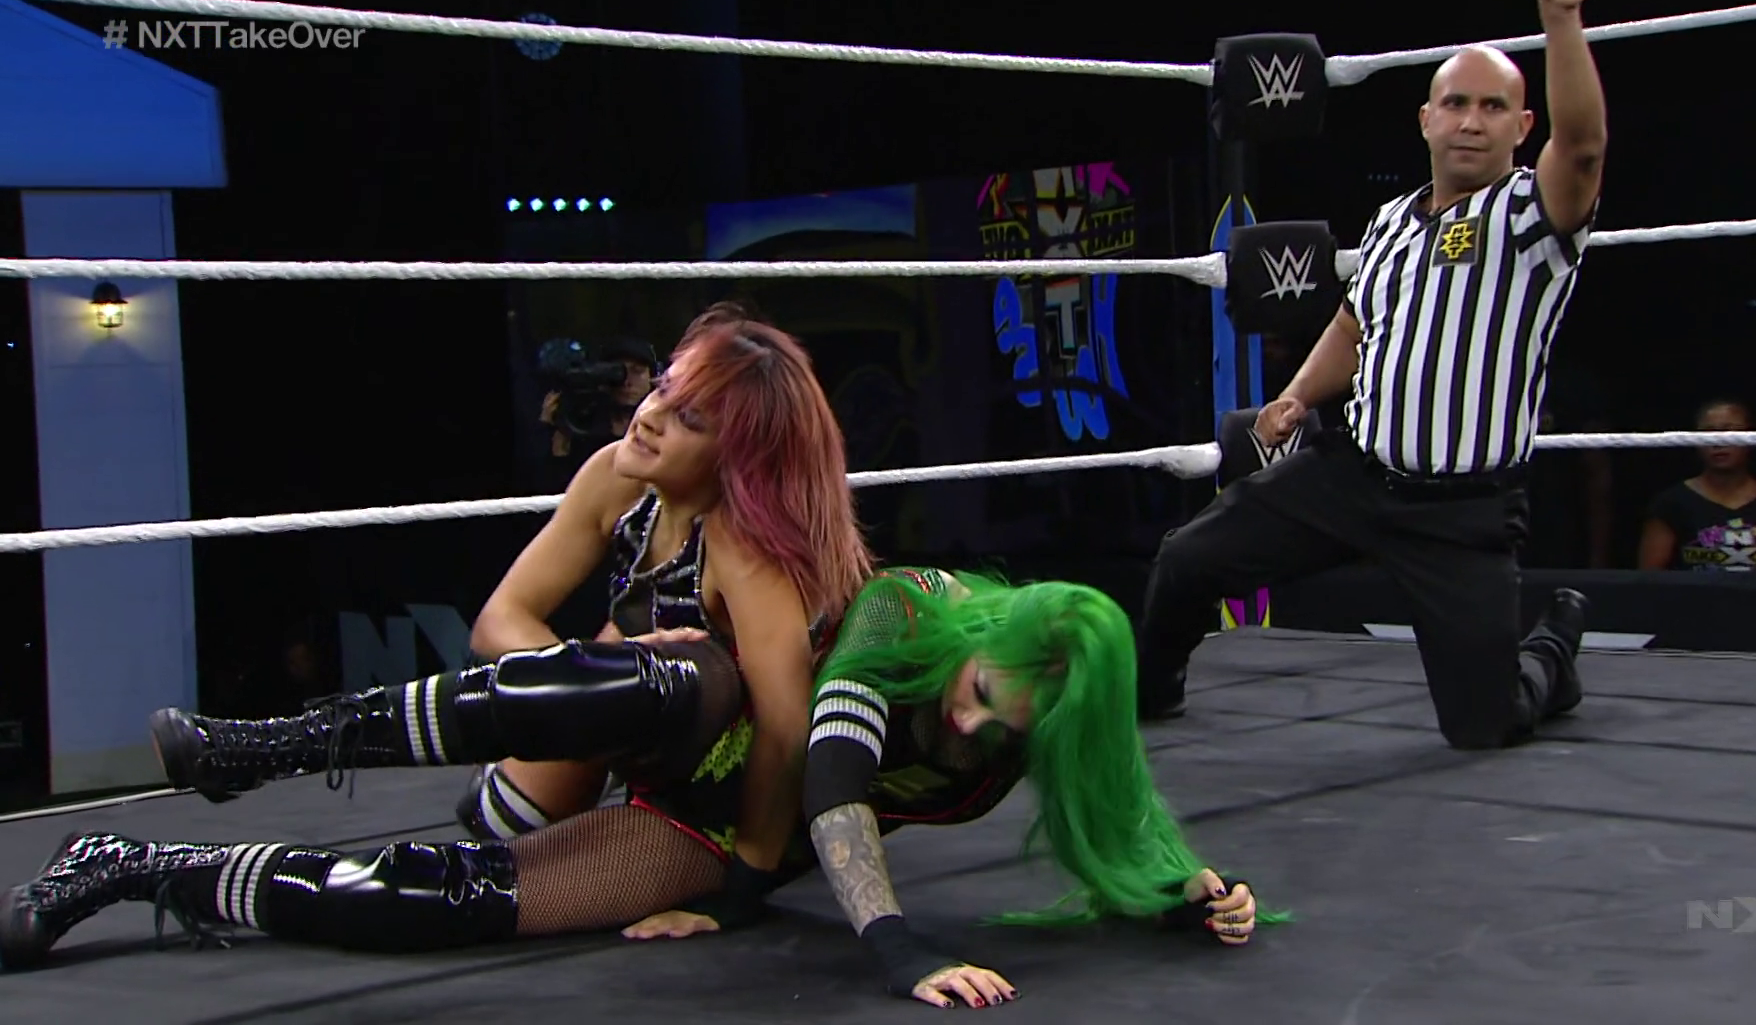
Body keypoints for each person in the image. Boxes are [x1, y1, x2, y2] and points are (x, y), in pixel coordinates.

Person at [1, 570, 1272, 1009]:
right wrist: (897, 950)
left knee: (455, 910)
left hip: (716, 836)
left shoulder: (1041, 727)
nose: (971, 723)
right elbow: (834, 775)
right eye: (980, 692)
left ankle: (134, 868)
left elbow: (1117, 818)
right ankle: (259, 746)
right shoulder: (910, 610)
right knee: (644, 687)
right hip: (703, 721)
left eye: (1007, 727)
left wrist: (1187, 892)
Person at [145, 302, 873, 916]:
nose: (649, 416)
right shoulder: (617, 479)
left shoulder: (748, 555)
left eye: (688, 417)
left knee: (462, 892)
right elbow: (501, 621)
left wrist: (745, 886)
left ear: (735, 456)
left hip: (724, 794)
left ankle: (181, 865)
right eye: (662, 388)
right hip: (625, 730)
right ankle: (262, 749)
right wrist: (594, 675)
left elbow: (786, 732)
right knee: (499, 817)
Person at [1134, 0, 1608, 749]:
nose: (1471, 120)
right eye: (1455, 103)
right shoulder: (1391, 220)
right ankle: (1153, 692)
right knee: (1186, 559)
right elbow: (1355, 324)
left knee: (1485, 725)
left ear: (1522, 127)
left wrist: (1559, 17)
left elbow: (1585, 146)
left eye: (1493, 107)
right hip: (1351, 474)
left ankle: (1552, 652)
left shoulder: (1532, 217)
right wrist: (1295, 396)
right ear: (1426, 119)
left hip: (1462, 509)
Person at [1637, 398, 1756, 573]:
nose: (1719, 442)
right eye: (1708, 433)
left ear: (1751, 438)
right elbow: (1649, 581)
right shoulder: (1671, 503)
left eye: (1729, 432)